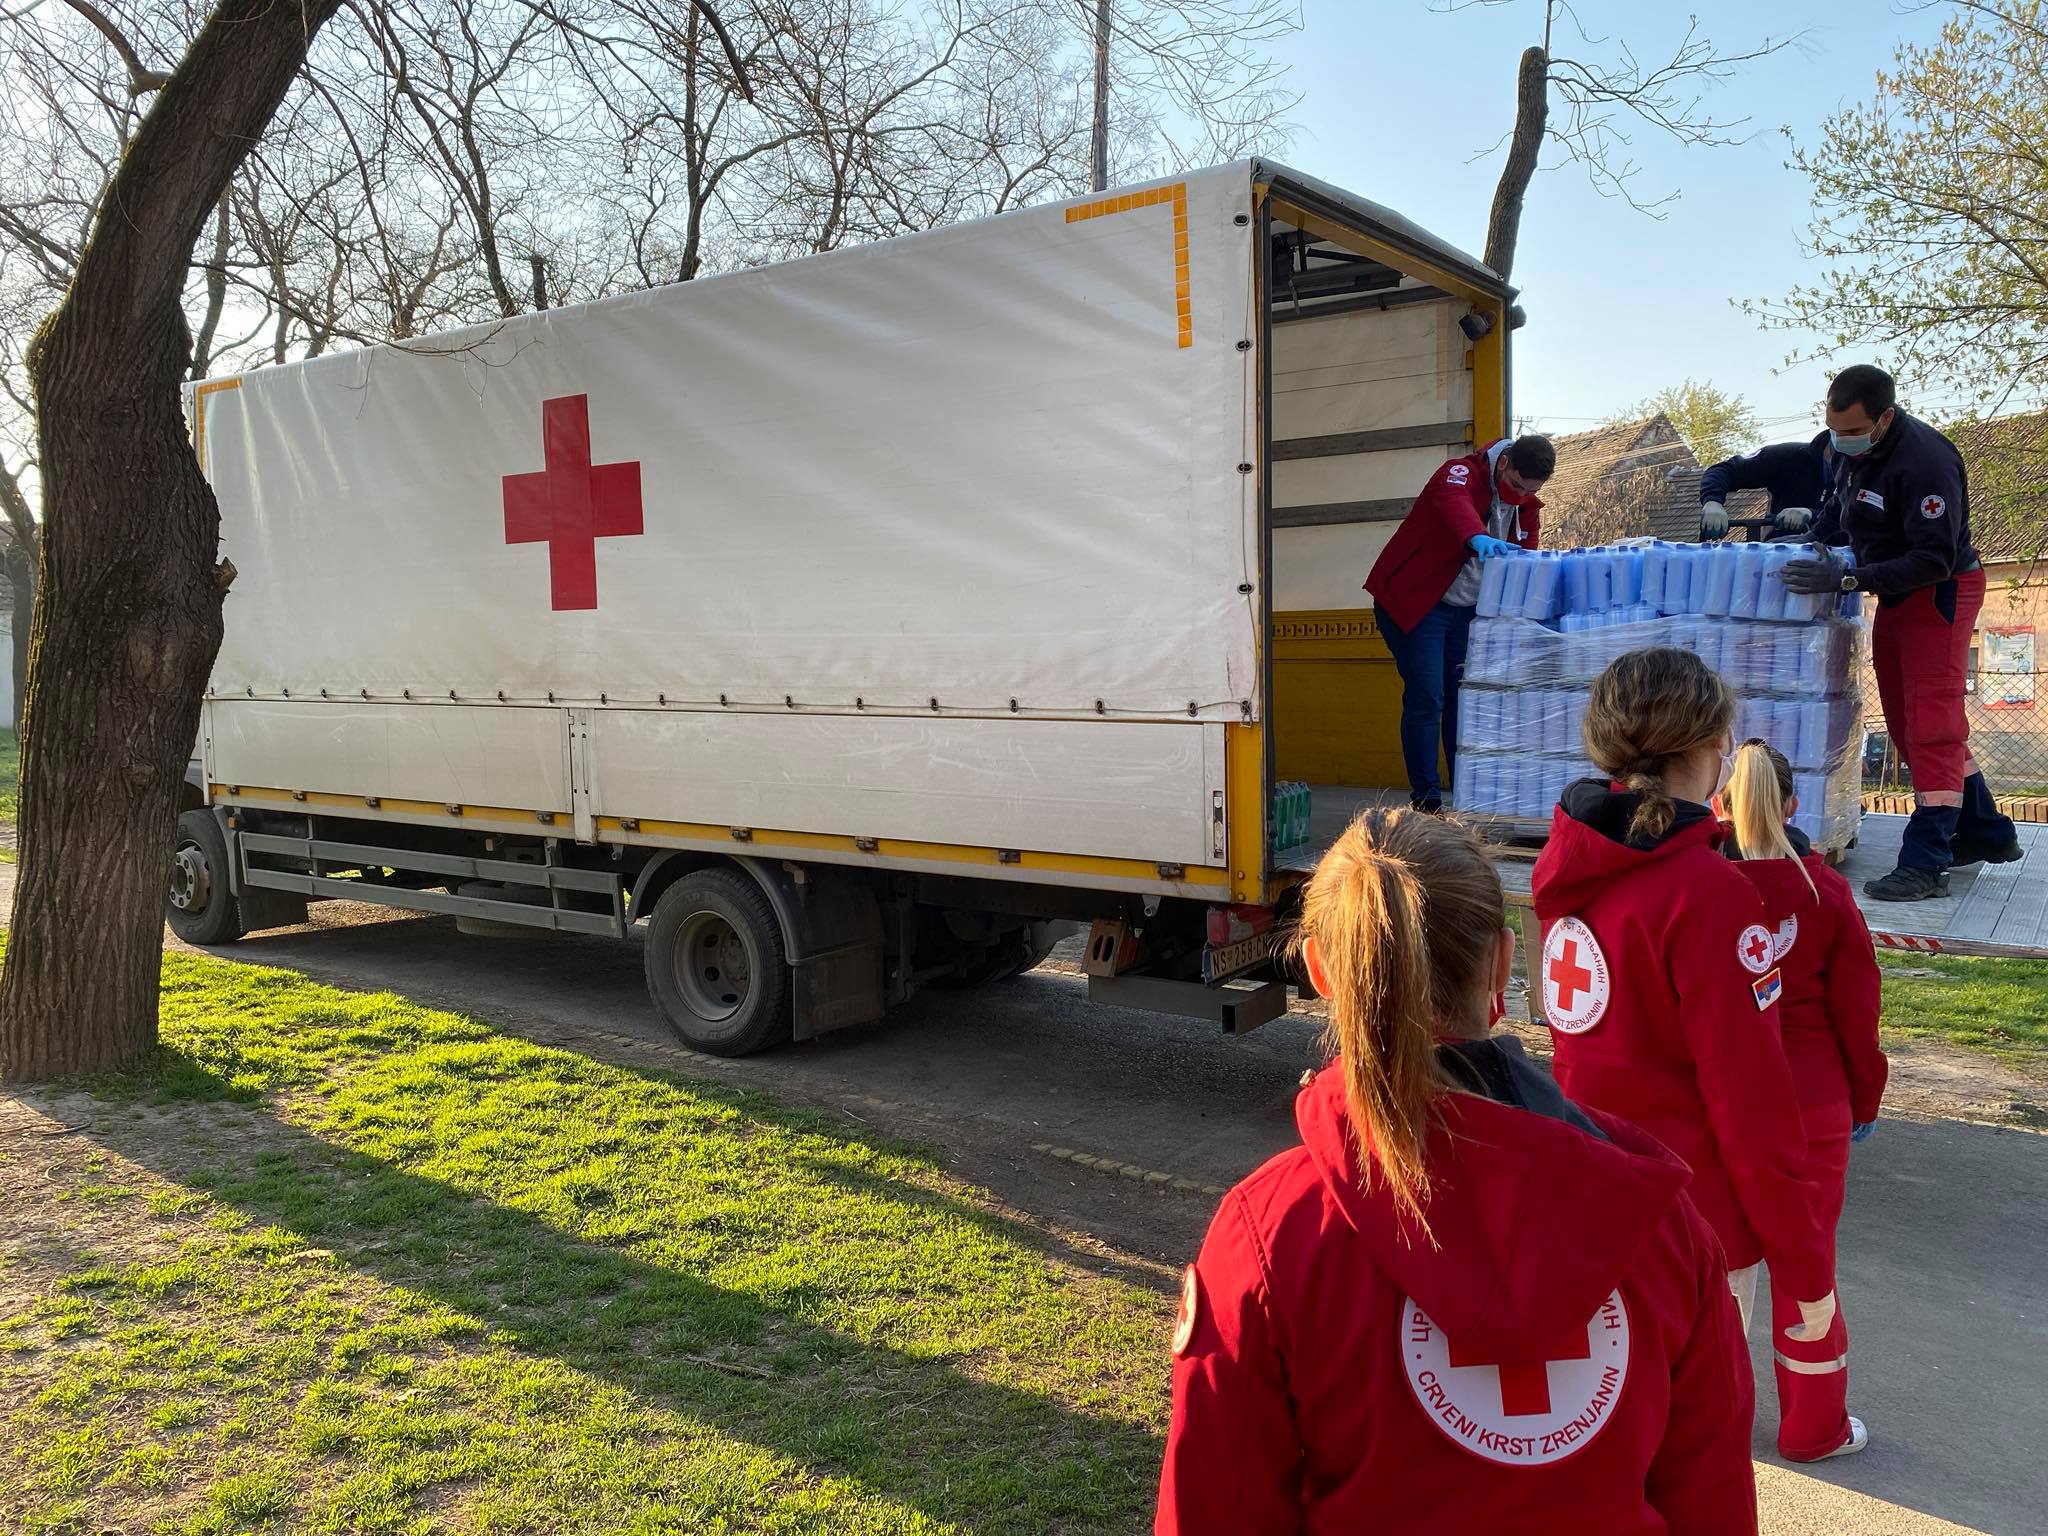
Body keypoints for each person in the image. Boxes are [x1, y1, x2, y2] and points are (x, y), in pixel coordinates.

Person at [1156, 808, 1758, 1535]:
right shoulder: (1657, 1218)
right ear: (1503, 964)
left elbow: (1215, 1512)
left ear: (1318, 970)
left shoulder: (1270, 1237)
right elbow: (1713, 1504)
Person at [1530, 648, 1835, 1348]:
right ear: (1713, 744)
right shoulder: (1711, 895)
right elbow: (1751, 1101)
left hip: (1591, 1209)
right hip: (1692, 1228)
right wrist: (1805, 1260)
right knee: (1695, 1438)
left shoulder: (1572, 868)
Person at [1782, 364, 2024, 899]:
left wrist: (1846, 576)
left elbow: (1934, 558)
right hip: (1894, 592)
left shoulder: (1926, 462)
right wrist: (1804, 543)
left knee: (1932, 725)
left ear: (1885, 417)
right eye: (1833, 428)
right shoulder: (1852, 451)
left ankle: (1926, 861)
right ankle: (1987, 831)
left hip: (1940, 590)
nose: (1840, 440)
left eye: (1851, 430)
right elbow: (1840, 512)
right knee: (1901, 721)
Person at [1719, 738, 1886, 1462]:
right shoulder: (1827, 894)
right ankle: (1813, 1427)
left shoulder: (1699, 892)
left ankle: (1710, 1427)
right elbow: (1858, 1011)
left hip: (1723, 1107)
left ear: (1720, 805)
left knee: (1719, 1269)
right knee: (1805, 1264)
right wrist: (1864, 1100)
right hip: (1812, 1108)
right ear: (1793, 806)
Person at [1365, 435, 1552, 812]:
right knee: (1428, 697)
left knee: (1460, 701)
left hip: (1467, 612)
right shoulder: (1460, 472)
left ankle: (1465, 794)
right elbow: (1454, 505)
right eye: (1516, 485)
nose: (1519, 496)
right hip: (1420, 603)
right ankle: (1427, 799)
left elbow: (1526, 556)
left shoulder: (1527, 505)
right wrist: (1477, 538)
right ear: (1504, 464)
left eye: (1528, 491)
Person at [1696, 431, 1835, 541]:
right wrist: (1713, 502)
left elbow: (1852, 515)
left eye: (1855, 431)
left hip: (1846, 558)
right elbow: (1725, 470)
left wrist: (1812, 514)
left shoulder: (1856, 470)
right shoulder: (1790, 456)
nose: (1847, 438)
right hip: (1781, 555)